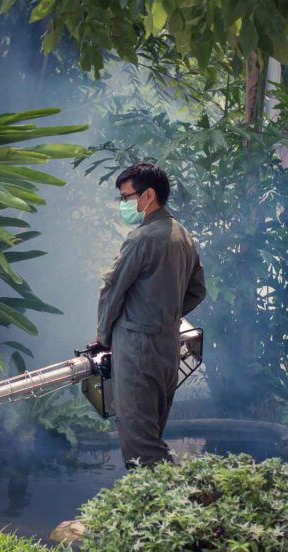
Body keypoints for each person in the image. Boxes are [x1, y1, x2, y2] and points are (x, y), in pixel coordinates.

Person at [96, 162, 206, 469]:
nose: (124, 205)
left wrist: (104, 337)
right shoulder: (182, 235)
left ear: (148, 196)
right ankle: (158, 508)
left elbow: (112, 289)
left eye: (127, 197)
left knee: (139, 442)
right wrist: (165, 314)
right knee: (151, 429)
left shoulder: (142, 238)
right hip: (168, 345)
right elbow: (198, 290)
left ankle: (171, 507)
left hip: (136, 348)